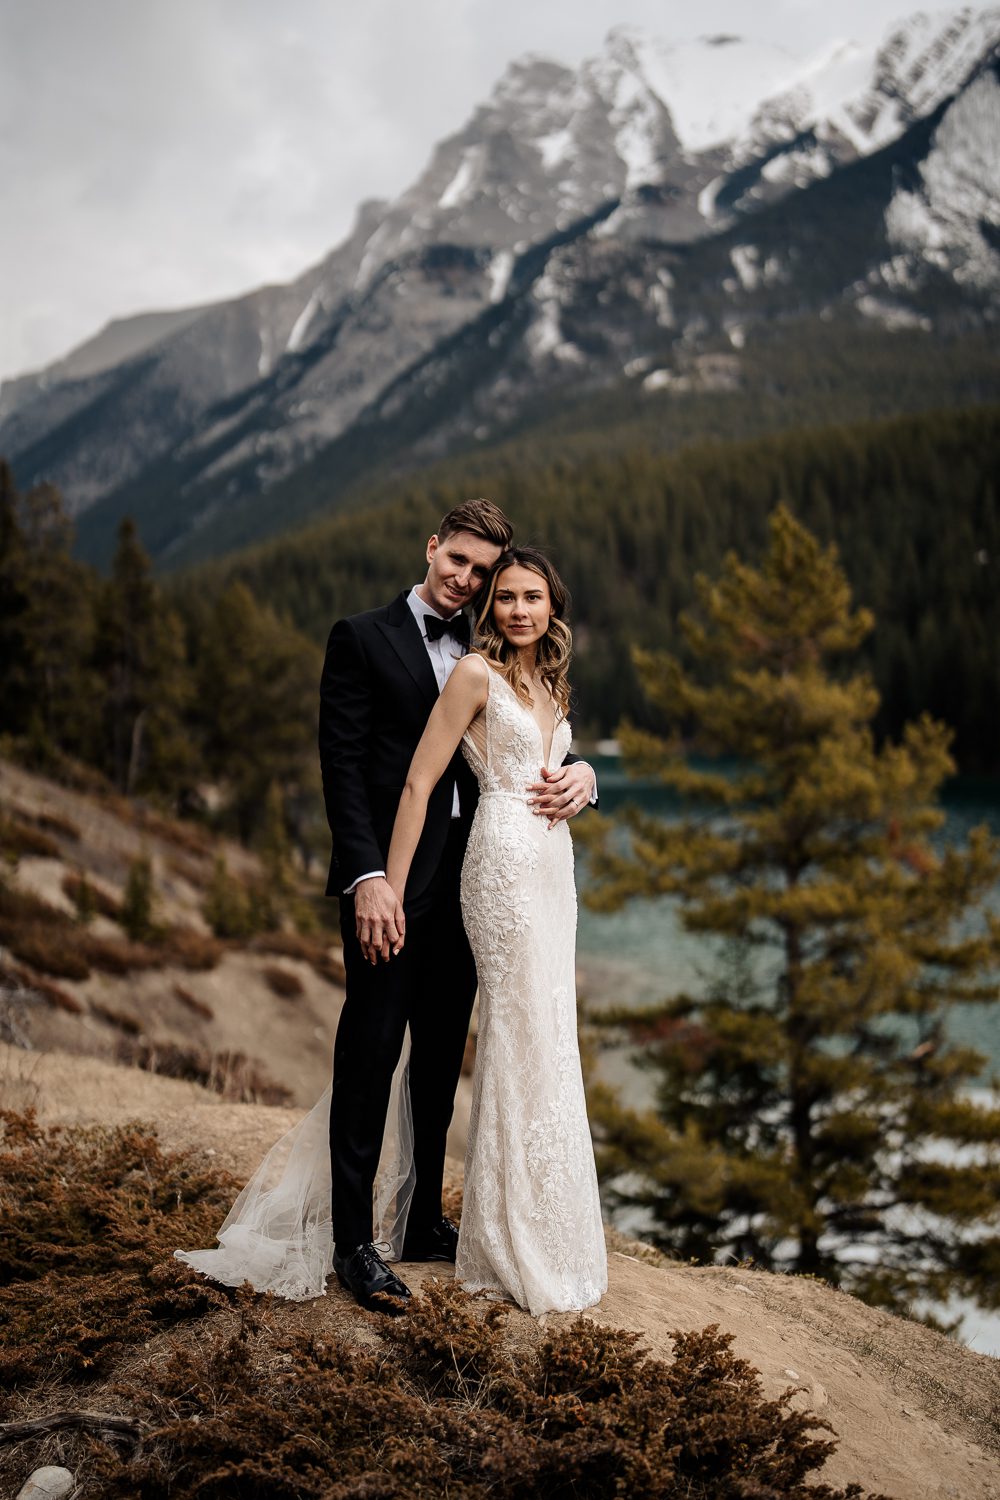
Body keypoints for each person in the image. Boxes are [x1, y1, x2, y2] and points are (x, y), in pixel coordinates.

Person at [176, 503, 597, 1309]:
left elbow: (525, 739)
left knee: (441, 1057)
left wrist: (587, 775)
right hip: (390, 884)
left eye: (483, 573)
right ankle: (352, 1243)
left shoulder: (493, 655)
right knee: (371, 1052)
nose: (467, 580)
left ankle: (418, 1223)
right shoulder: (361, 638)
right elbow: (342, 766)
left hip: (478, 882)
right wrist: (370, 879)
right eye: (459, 562)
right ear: (432, 548)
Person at [385, 547, 607, 1315]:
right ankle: (502, 1239)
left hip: (554, 870)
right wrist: (391, 883)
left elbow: (567, 760)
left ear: (553, 609)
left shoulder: (549, 683)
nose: (517, 609)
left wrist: (590, 779)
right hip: (503, 867)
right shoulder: (474, 675)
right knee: (515, 1033)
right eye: (505, 597)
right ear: (491, 608)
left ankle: (549, 1227)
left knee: (551, 1031)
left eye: (532, 597)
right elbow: (420, 779)